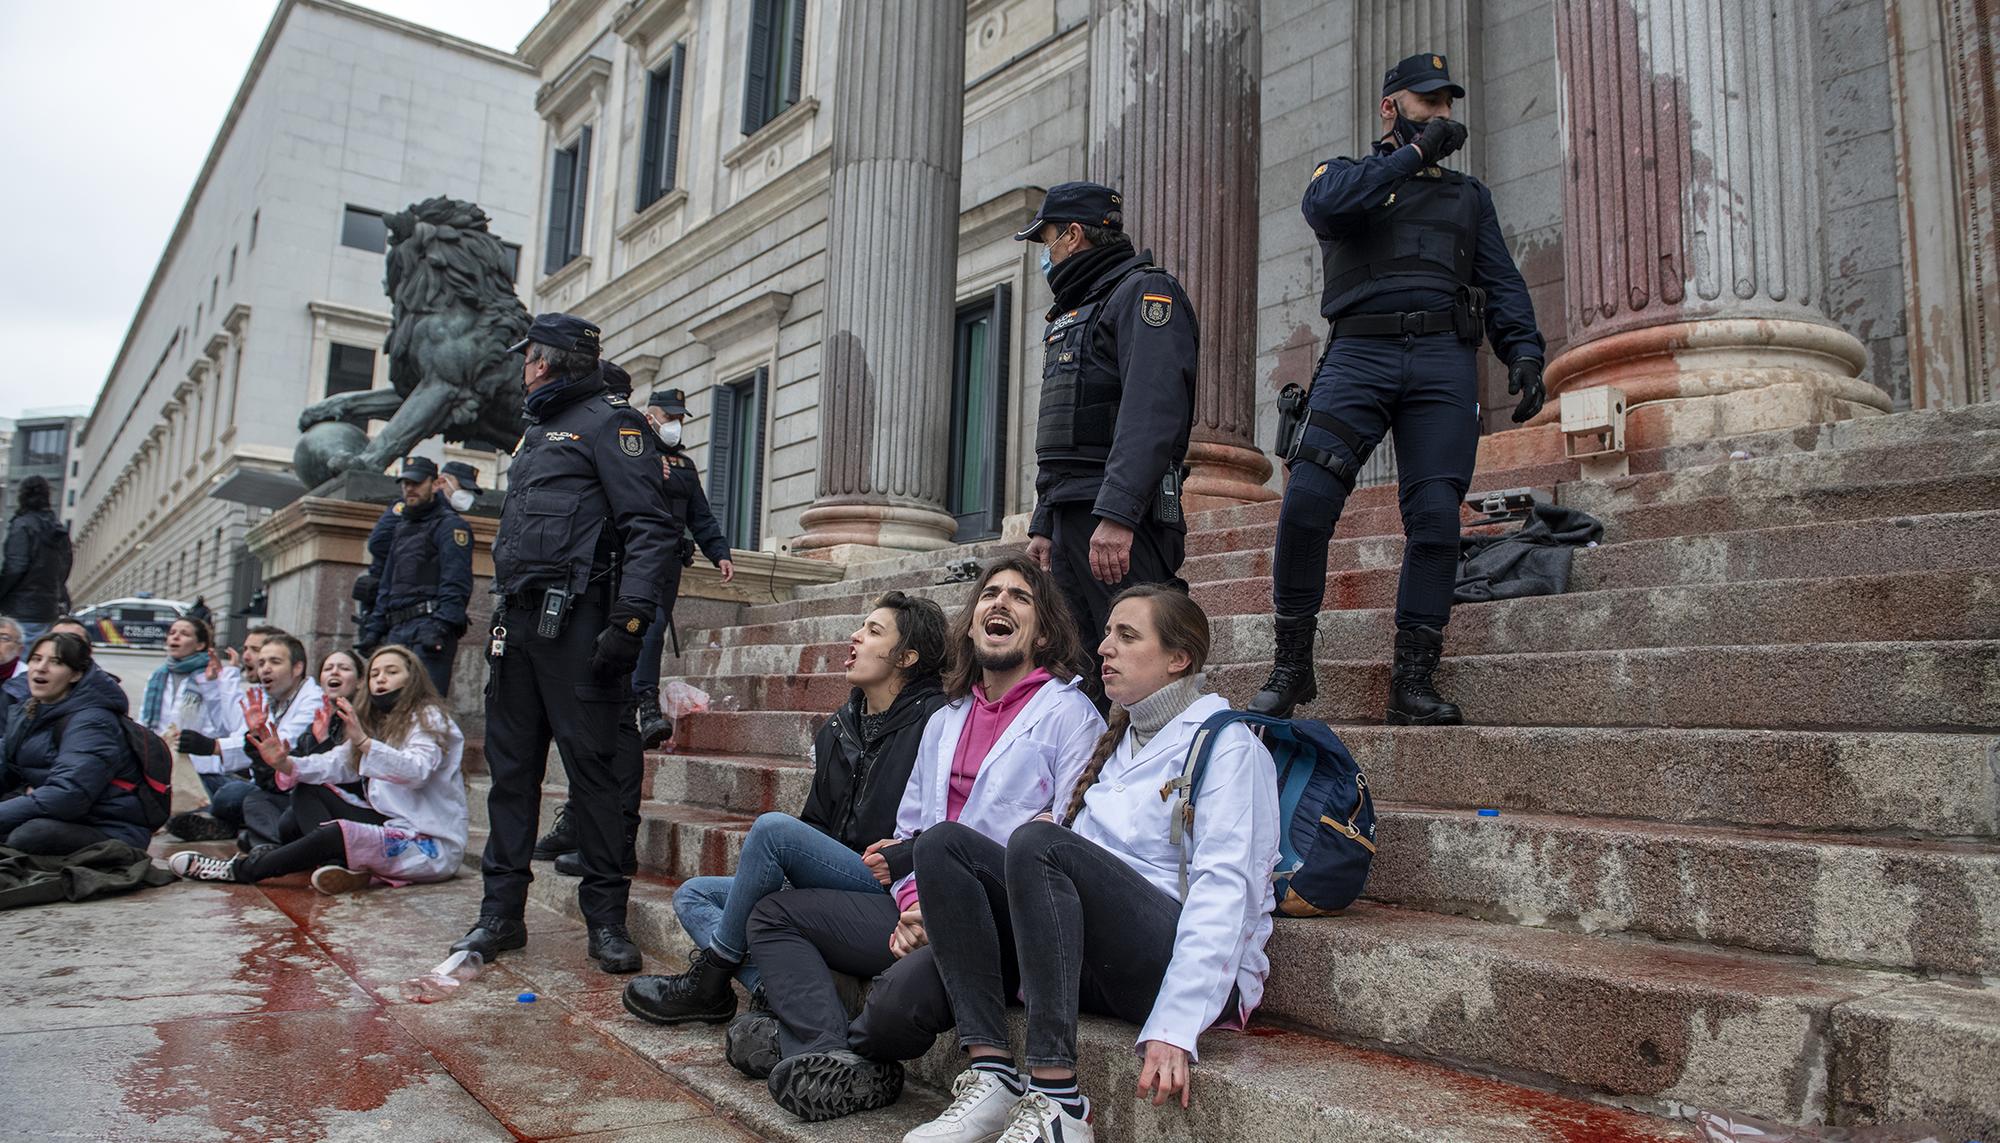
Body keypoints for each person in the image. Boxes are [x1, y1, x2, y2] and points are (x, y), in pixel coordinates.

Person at [899, 585, 1280, 1143]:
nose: (1105, 648)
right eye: (1106, 634)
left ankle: (1059, 1101)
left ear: (1179, 659)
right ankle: (992, 1071)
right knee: (941, 844)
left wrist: (1175, 1026)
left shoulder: (1230, 748)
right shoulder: (1121, 740)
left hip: (1169, 968)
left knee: (1038, 841)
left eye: (1127, 636)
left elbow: (1228, 892)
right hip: (1098, 963)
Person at [746, 556, 1103, 1123]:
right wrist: (914, 904)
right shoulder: (947, 716)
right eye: (989, 594)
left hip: (995, 923)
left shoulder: (1069, 715)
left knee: (893, 1006)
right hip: (917, 906)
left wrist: (935, 912)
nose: (1000, 604)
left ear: (1044, 631)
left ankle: (831, 1047)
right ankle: (821, 1052)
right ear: (971, 620)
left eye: (1019, 597)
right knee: (771, 915)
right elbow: (911, 831)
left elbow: (1065, 844)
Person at [1250, 52, 1546, 725]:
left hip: (1443, 359)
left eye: (1447, 103)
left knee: (1437, 519)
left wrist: (1524, 352)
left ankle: (1413, 679)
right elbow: (1326, 208)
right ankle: (1291, 668)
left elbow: (1501, 281)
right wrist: (1413, 156)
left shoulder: (1469, 197)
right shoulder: (1347, 176)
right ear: (1391, 107)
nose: (1442, 113)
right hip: (1359, 353)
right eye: (1427, 101)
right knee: (1306, 503)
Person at [452, 312, 678, 976]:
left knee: (600, 781)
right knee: (512, 776)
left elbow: (650, 529)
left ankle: (605, 920)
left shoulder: (614, 424)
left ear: (548, 360)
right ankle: (500, 915)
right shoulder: (534, 433)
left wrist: (630, 623)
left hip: (583, 627)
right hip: (518, 627)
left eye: (529, 357)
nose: (523, 368)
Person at [622, 591, 951, 1028]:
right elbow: (817, 824)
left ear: (907, 657)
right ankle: (767, 989)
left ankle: (711, 980)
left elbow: (957, 822)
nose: (855, 636)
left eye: (873, 631)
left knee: (773, 830)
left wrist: (902, 856)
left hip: (891, 885)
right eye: (861, 626)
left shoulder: (938, 720)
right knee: (695, 894)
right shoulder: (840, 727)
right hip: (838, 877)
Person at [536, 383, 735, 863]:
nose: (675, 424)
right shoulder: (620, 447)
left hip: (655, 575)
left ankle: (644, 703)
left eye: (680, 418)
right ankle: (584, 823)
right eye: (668, 415)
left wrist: (718, 552)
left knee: (637, 657)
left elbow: (701, 518)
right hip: (611, 578)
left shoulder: (683, 466)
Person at [1015, 183, 1198, 703]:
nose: (1046, 255)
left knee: (1140, 672)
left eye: (1047, 240)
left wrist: (1117, 514)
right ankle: (1090, 782)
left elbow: (1152, 413)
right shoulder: (1076, 310)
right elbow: (1060, 430)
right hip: (1073, 515)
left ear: (1073, 235)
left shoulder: (1144, 293)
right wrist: (1045, 521)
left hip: (1119, 520)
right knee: (1080, 672)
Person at [169, 644, 468, 895]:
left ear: (412, 679)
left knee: (335, 832)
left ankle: (238, 870)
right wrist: (284, 763)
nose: (380, 680)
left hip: (428, 843)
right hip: (392, 824)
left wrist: (363, 740)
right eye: (375, 673)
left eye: (391, 672)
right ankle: (338, 865)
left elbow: (416, 771)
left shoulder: (430, 718)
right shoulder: (378, 722)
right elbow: (334, 764)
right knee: (308, 789)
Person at [0, 633, 152, 855]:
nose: (41, 668)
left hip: (109, 829)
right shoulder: (30, 710)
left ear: (76, 674)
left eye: (56, 662)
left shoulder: (93, 721)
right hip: (61, 816)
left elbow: (69, 794)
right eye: (36, 659)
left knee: (29, 835)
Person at [178, 634, 324, 846]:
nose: (264, 668)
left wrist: (214, 746)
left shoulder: (314, 700)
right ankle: (220, 823)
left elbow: (283, 744)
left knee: (231, 795)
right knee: (212, 780)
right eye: (262, 662)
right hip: (266, 784)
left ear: (297, 668)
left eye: (275, 662)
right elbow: (236, 729)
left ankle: (215, 819)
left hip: (296, 792)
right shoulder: (271, 699)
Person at [359, 456, 473, 695]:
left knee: (424, 708)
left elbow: (457, 582)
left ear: (435, 484)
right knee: (388, 708)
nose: (410, 489)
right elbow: (388, 585)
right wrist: (374, 630)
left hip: (428, 628)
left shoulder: (451, 526)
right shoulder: (401, 526)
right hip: (396, 629)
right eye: (406, 484)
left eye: (417, 483)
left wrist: (440, 626)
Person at [150, 617, 250, 842]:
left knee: (221, 798)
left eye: (184, 634)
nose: (175, 637)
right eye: (172, 632)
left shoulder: (210, 677)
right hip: (164, 764)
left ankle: (209, 822)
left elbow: (225, 725)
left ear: (200, 645)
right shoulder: (158, 677)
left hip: (201, 768)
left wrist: (213, 684)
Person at [0, 476, 72, 646]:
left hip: (20, 608)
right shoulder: (57, 528)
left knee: (18, 662)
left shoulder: (22, 525)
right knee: (35, 657)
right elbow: (65, 566)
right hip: (47, 608)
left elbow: (15, 567)